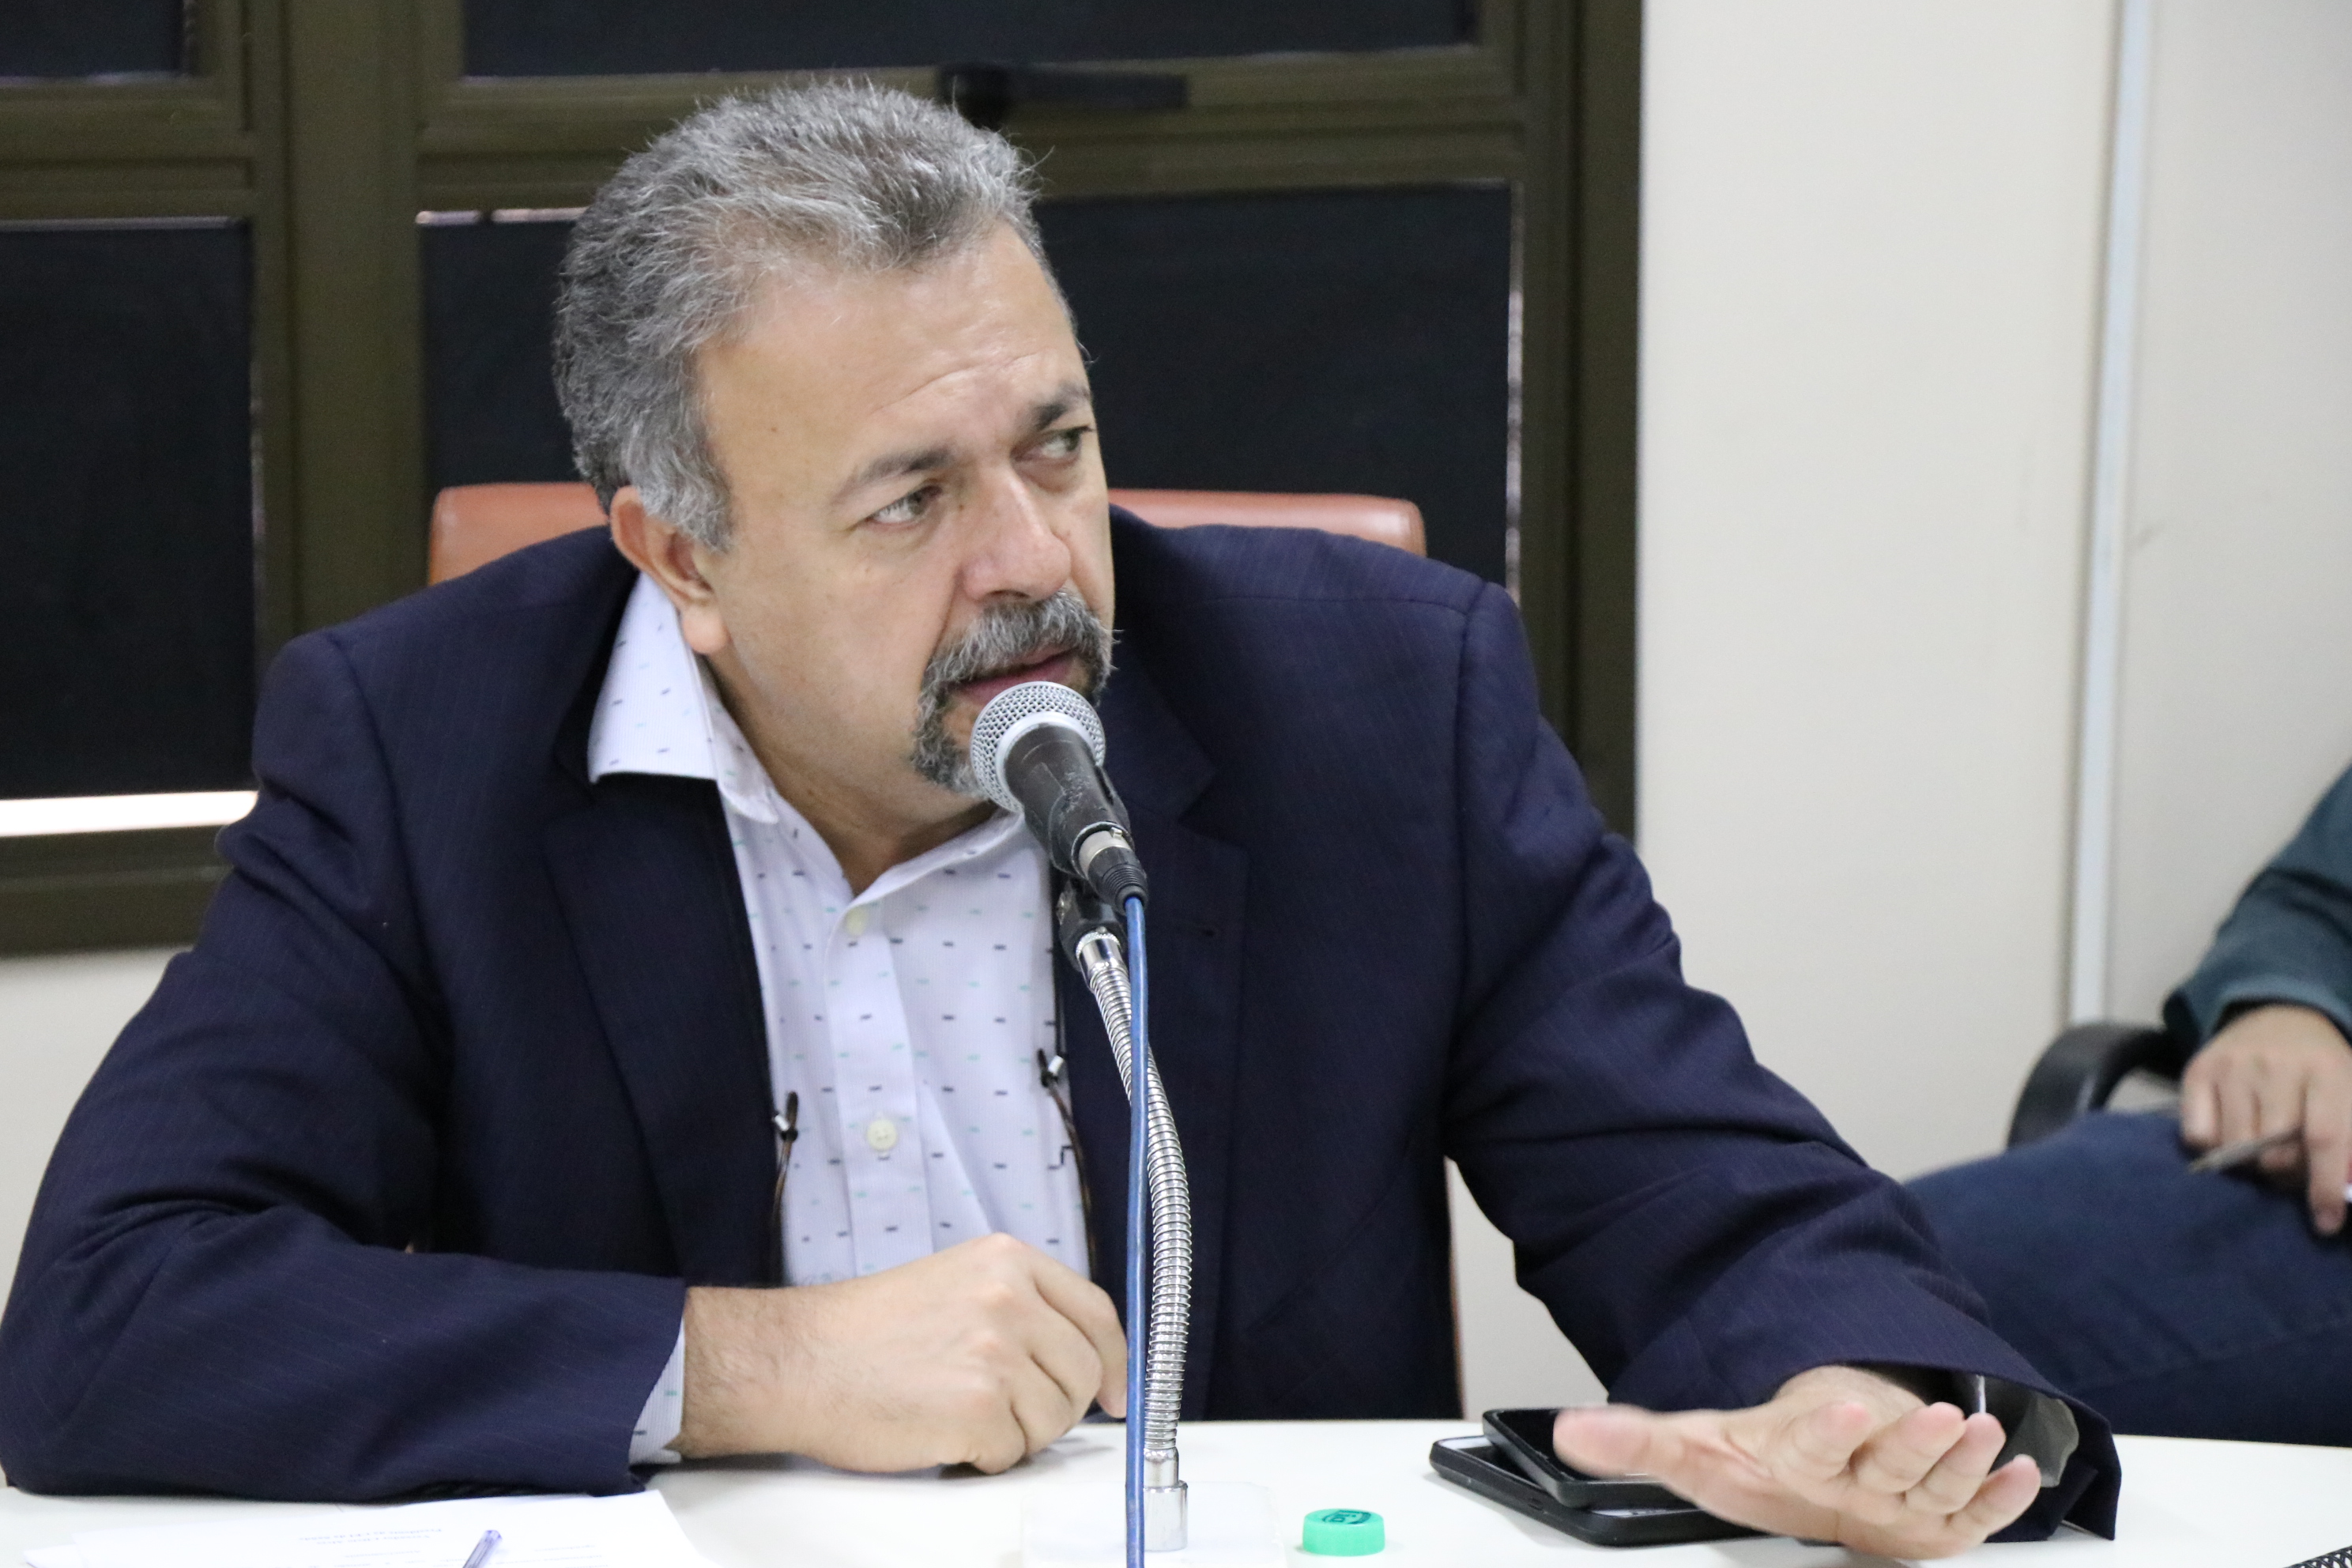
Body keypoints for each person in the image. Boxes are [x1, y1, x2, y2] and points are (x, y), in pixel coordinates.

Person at [0, 84, 2113, 1555]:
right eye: (910, 499)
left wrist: (1864, 1394)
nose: (1030, 560)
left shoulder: (1379, 707)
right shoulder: (425, 745)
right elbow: (112, 1318)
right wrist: (752, 1367)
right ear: (684, 556)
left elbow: (1708, 1192)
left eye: (1059, 444)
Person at [1913, 760, 2352, 1446]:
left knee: (1892, 1362)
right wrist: (2287, 1002)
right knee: (1872, 1278)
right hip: (2305, 1164)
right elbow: (2317, 903)